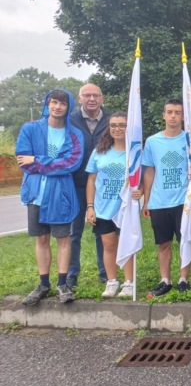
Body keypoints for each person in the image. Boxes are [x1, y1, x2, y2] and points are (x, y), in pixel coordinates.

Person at [16, 89, 84, 305]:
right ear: (47, 104)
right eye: (54, 102)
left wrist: (37, 160)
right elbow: (23, 161)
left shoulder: (74, 135)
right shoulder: (30, 129)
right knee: (42, 239)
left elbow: (71, 163)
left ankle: (63, 284)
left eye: (62, 103)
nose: (57, 107)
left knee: (63, 238)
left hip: (60, 195)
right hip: (36, 193)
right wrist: (52, 164)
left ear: (68, 107)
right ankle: (43, 284)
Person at [141, 99, 191, 297]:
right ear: (164, 115)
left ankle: (183, 280)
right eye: (169, 112)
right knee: (164, 242)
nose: (173, 116)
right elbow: (149, 171)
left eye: (177, 112)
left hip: (184, 200)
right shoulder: (152, 141)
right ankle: (165, 280)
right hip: (160, 200)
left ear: (183, 116)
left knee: (185, 241)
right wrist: (146, 200)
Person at [85, 111, 141, 298]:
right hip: (103, 208)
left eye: (122, 125)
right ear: (109, 128)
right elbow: (91, 180)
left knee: (127, 245)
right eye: (114, 125)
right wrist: (90, 206)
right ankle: (112, 281)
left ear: (128, 128)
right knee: (108, 245)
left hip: (126, 208)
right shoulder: (99, 152)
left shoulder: (135, 153)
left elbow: (143, 178)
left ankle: (129, 282)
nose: (117, 129)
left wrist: (140, 191)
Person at [68, 83, 110, 287]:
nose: (91, 99)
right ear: (79, 98)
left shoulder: (111, 120)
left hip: (102, 185)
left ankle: (105, 271)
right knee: (73, 231)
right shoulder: (69, 120)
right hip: (75, 183)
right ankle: (71, 273)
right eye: (87, 95)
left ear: (102, 98)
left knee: (102, 230)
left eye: (95, 95)